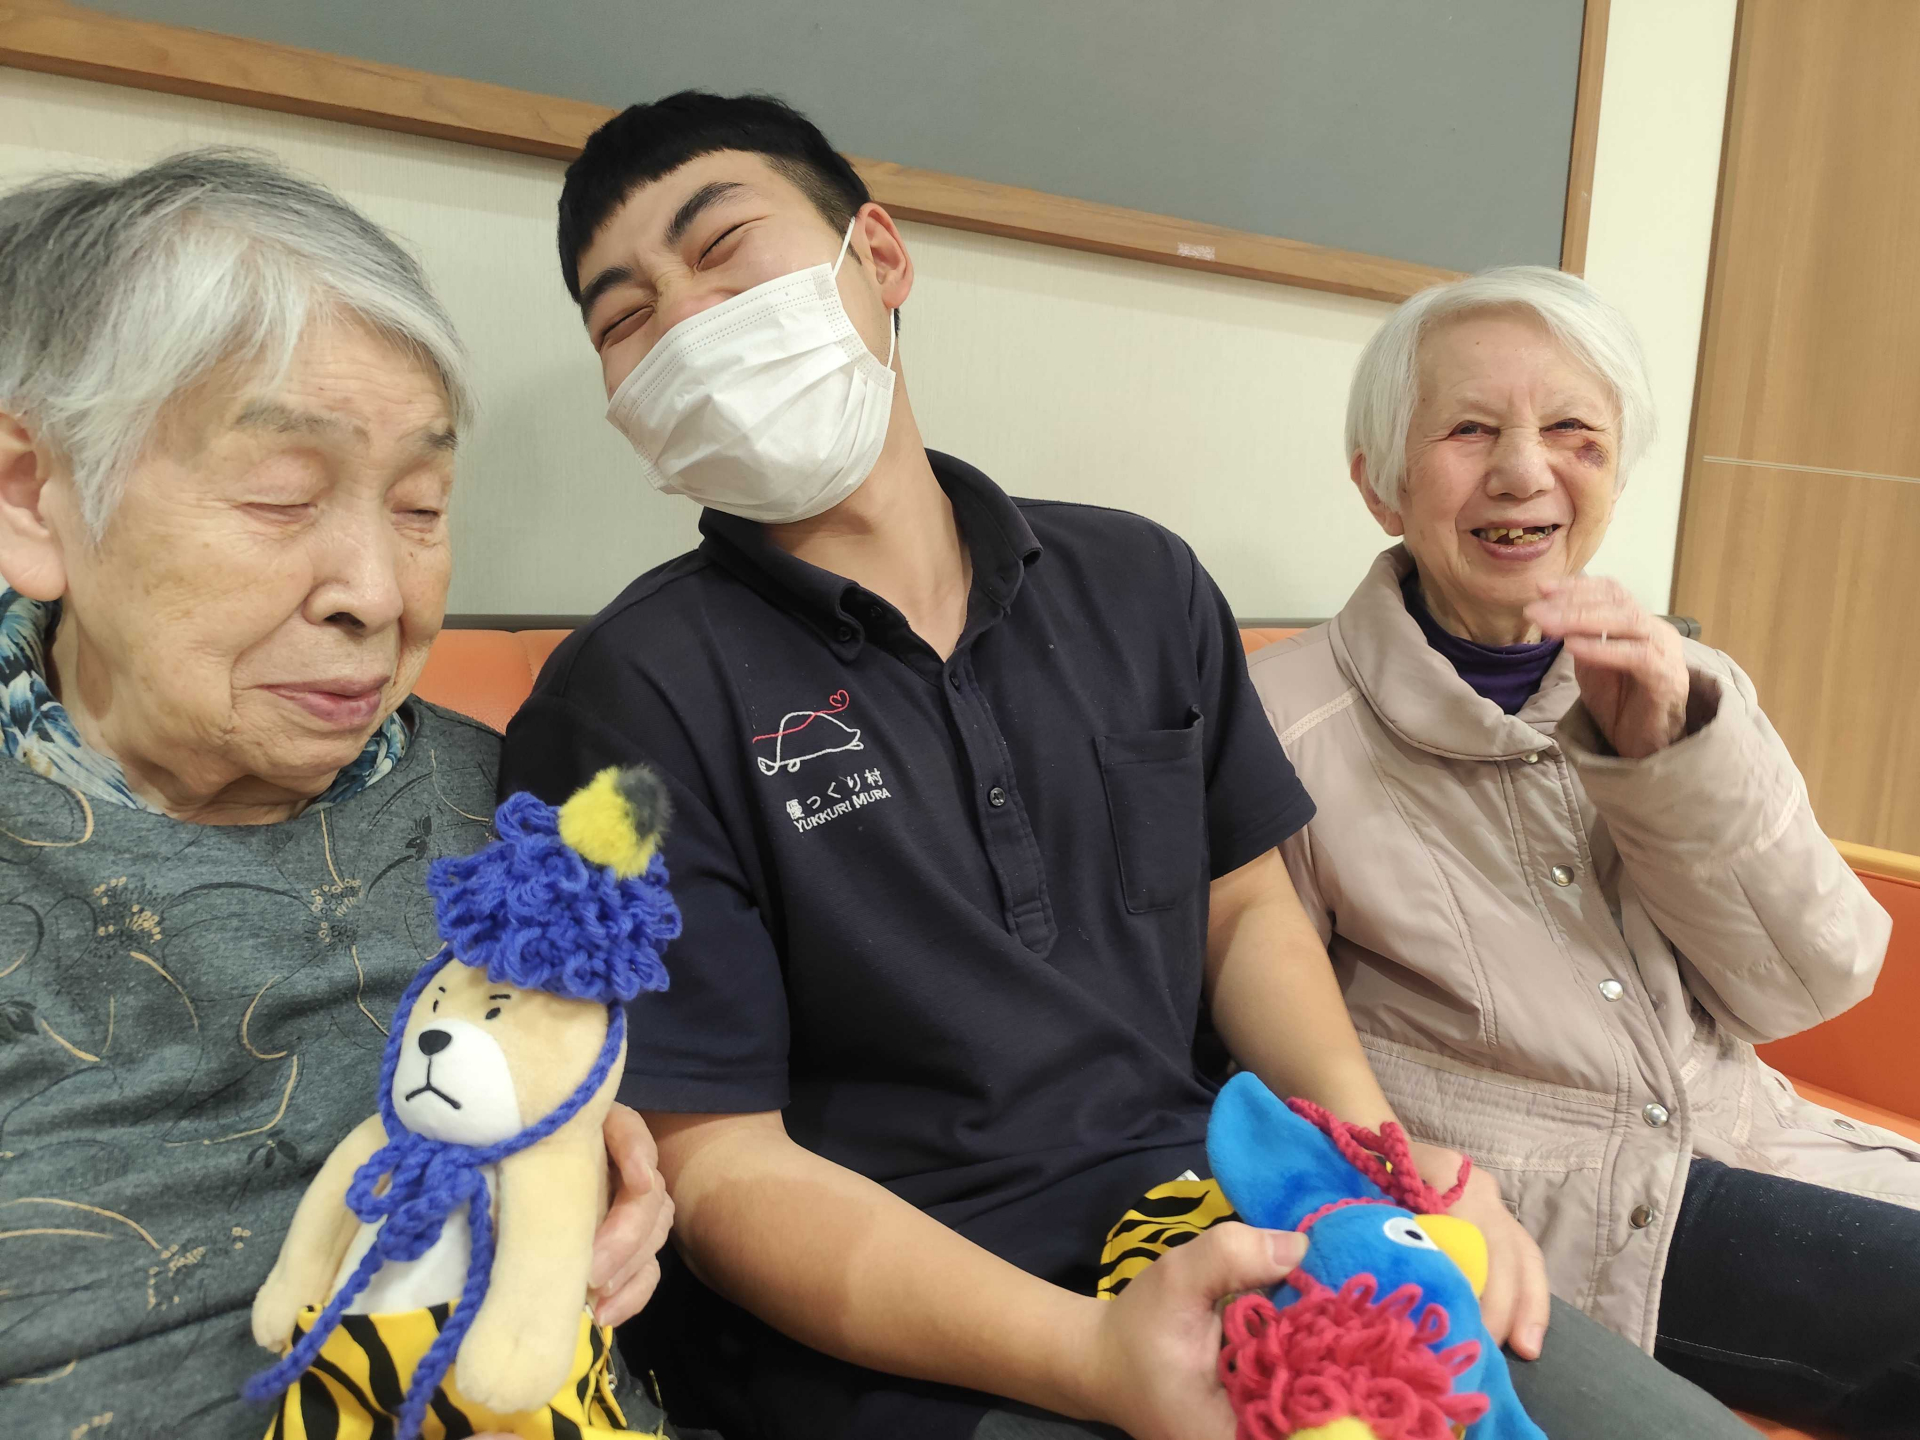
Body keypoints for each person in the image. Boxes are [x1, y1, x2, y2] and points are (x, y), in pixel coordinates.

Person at [503, 92, 1757, 1440]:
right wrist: (1099, 1358)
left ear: (880, 256)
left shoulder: (1137, 582)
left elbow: (1243, 907)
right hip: (909, 1342)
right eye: (626, 318)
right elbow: (721, 1169)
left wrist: (1376, 1161)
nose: (691, 325)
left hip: (1219, 1206)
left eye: (723, 251)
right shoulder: (626, 695)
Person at [0, 150, 672, 1439]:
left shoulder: (505, 807)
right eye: (282, 496)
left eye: (421, 506)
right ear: (35, 496)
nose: (378, 592)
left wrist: (606, 1167)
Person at [1248, 264, 1920, 1436]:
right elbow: (1258, 1051)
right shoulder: (1275, 723)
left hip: (1756, 1139)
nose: (1526, 472)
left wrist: (1671, 757)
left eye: (1575, 434)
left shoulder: (1686, 680)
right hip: (1546, 1203)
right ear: (1379, 484)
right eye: (1470, 430)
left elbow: (1807, 984)